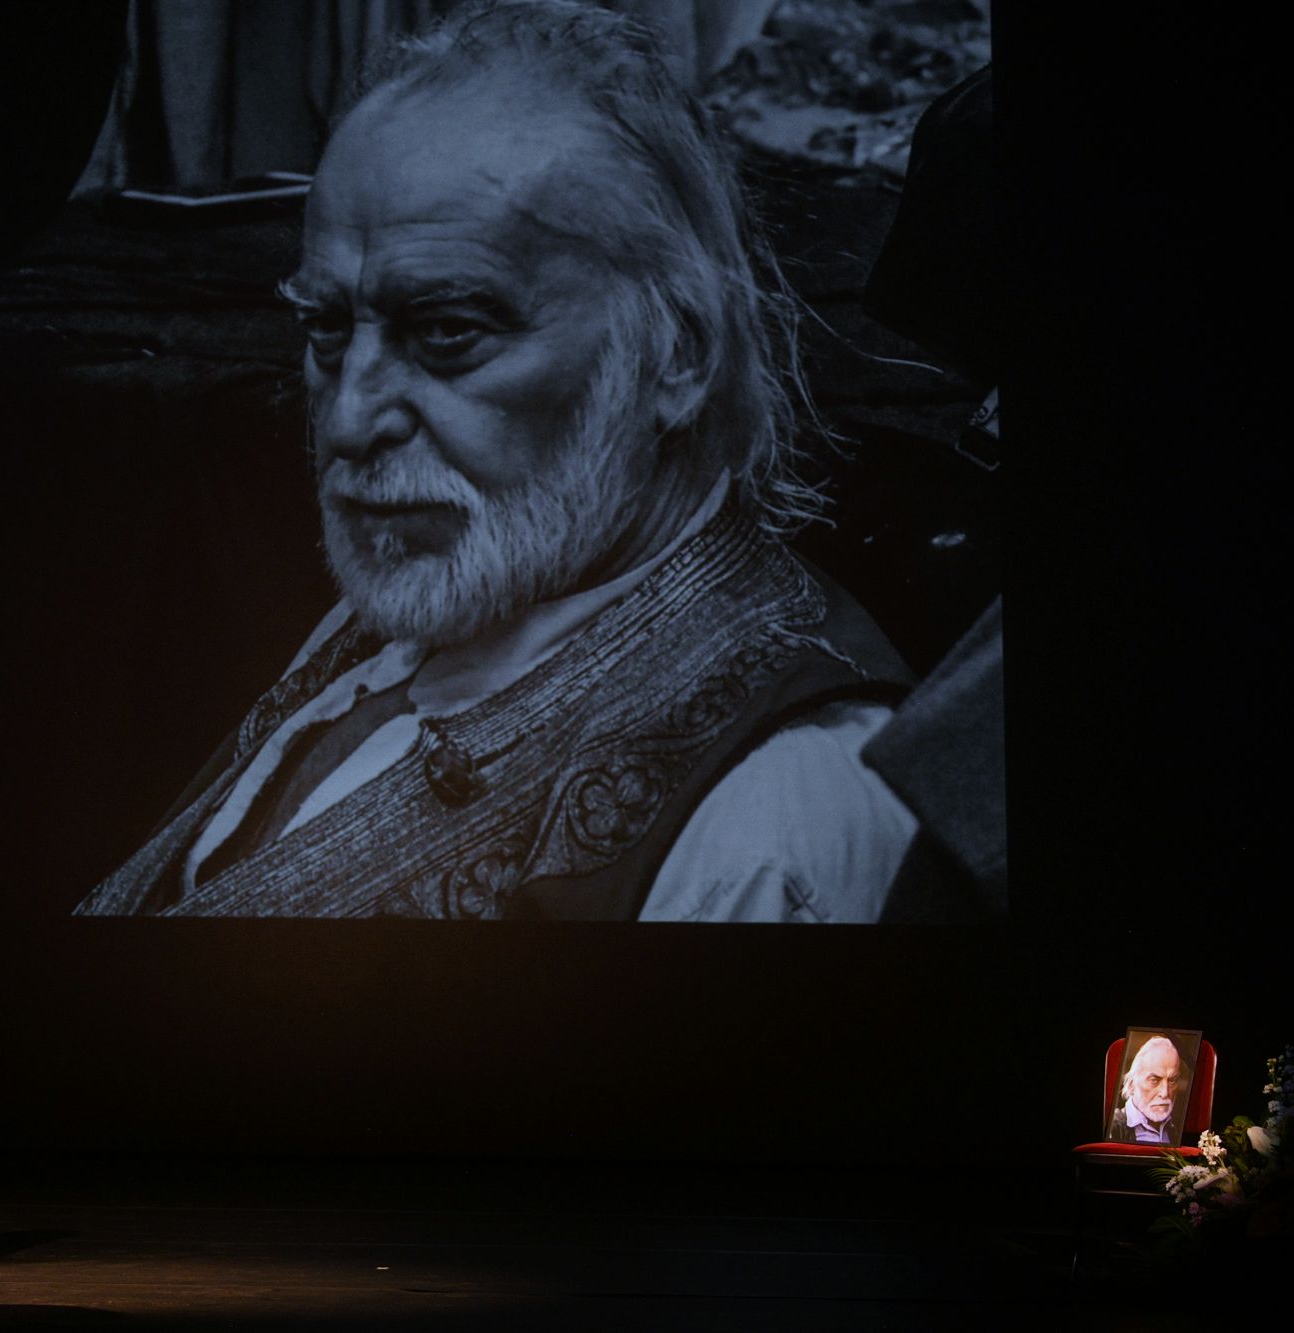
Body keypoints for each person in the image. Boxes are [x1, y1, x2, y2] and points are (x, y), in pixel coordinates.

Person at [77, 0, 918, 922]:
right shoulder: (458, 584)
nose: (348, 420)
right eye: (324, 331)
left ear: (676, 356)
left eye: (447, 333)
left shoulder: (770, 827)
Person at [1109, 1036, 1189, 1146]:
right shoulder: (1112, 1127)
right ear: (1132, 1084)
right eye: (1154, 1080)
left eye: (1172, 1081)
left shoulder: (1176, 1131)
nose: (1165, 1093)